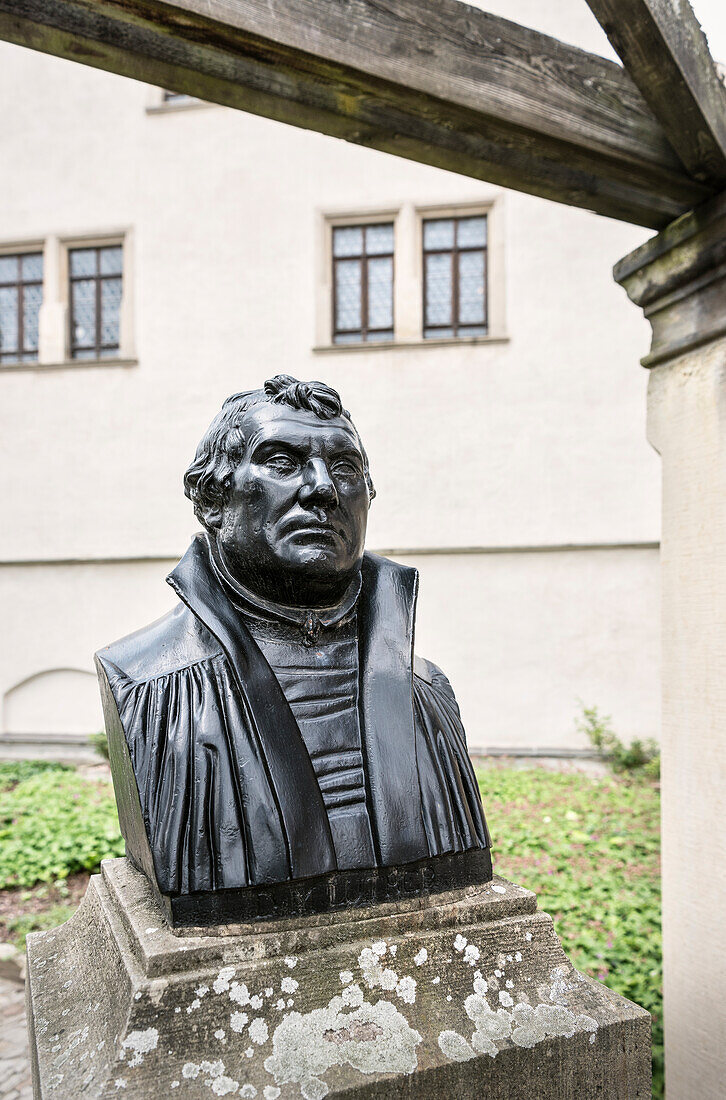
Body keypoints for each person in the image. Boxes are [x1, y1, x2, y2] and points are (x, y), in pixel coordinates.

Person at [96, 375, 491, 922]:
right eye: (282, 462)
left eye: (346, 469)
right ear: (213, 499)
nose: (323, 489)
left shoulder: (428, 691)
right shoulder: (149, 686)